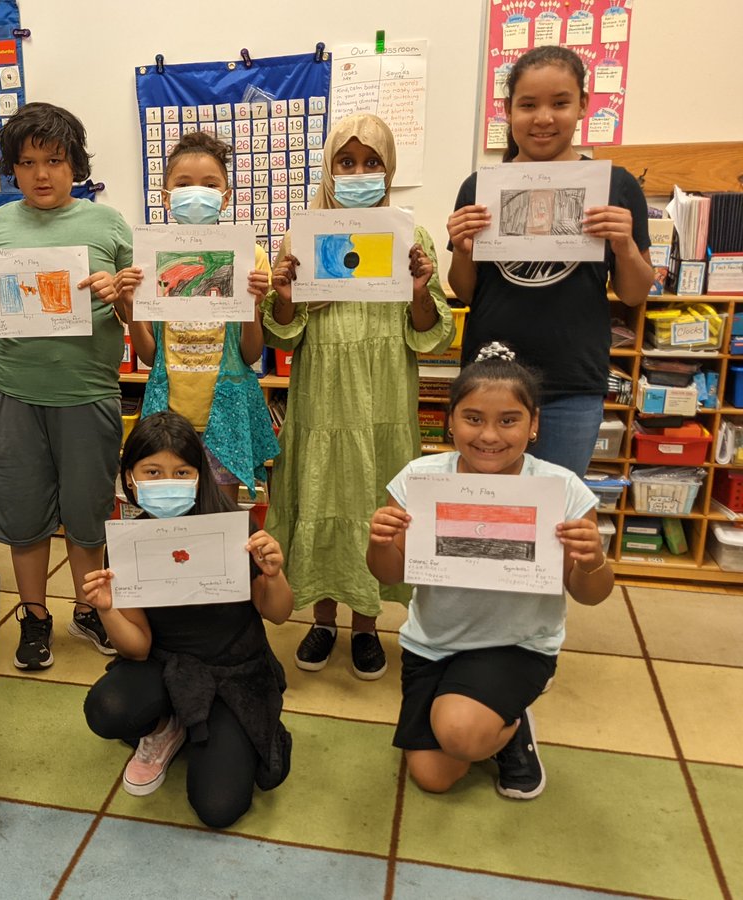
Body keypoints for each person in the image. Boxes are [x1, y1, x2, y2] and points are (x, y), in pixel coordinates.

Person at [367, 343, 613, 800]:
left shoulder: (561, 489)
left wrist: (593, 559)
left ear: (534, 424)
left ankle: (512, 723)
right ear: (450, 420)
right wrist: (380, 539)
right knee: (434, 777)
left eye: (509, 420)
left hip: (517, 644)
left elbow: (591, 594)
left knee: (460, 733)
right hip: (433, 643)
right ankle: (483, 716)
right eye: (473, 418)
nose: (489, 435)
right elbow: (388, 574)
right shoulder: (420, 479)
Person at [262, 114, 454, 678]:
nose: (359, 173)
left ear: (389, 168)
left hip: (385, 395)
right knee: (320, 493)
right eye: (347, 163)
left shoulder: (410, 237)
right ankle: (323, 618)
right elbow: (282, 331)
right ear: (329, 168)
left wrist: (420, 290)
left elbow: (430, 331)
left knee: (376, 501)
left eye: (371, 163)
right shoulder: (305, 236)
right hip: (322, 393)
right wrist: (285, 293)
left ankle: (367, 623)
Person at [0, 102, 132, 670]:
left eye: (54, 159)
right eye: (27, 163)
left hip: (87, 392)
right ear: (13, 168)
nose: (42, 174)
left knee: (88, 514)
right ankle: (34, 616)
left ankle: (89, 608)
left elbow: (136, 315)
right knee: (23, 517)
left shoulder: (108, 225)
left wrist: (118, 292)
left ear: (75, 162)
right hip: (13, 393)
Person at [81, 411, 294, 829]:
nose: (167, 482)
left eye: (181, 471)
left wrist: (274, 573)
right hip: (164, 668)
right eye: (153, 472)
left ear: (200, 476)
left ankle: (225, 724)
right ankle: (167, 724)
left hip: (236, 672)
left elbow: (280, 613)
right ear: (130, 479)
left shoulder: (232, 529)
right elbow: (137, 646)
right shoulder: (127, 544)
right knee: (107, 708)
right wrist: (106, 608)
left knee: (218, 806)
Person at [446, 46, 652, 477]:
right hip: (490, 380)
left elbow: (634, 293)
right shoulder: (480, 186)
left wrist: (625, 245)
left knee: (555, 513)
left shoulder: (615, 185)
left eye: (559, 102)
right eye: (528, 105)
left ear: (583, 105)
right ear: (508, 111)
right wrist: (463, 249)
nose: (543, 117)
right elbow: (465, 291)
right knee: (490, 510)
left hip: (572, 382)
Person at [114, 131, 280, 500]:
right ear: (166, 196)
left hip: (228, 413)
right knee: (171, 506)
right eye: (184, 184)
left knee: (220, 513)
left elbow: (252, 355)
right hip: (169, 414)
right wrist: (130, 305)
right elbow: (148, 356)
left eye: (210, 184)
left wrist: (253, 304)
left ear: (225, 197)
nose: (197, 192)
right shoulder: (152, 257)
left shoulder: (249, 257)